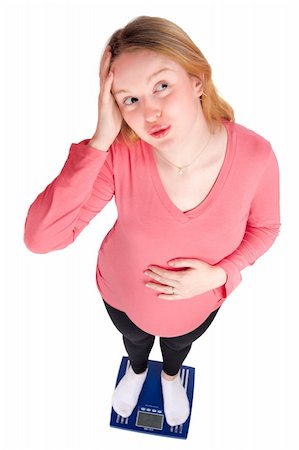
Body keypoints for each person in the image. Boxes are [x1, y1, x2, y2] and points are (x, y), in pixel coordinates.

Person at [23, 15, 281, 427]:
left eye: (162, 85)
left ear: (197, 80)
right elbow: (42, 238)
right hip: (122, 294)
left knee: (178, 346)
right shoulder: (120, 154)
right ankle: (138, 370)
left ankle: (172, 376)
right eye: (129, 99)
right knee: (135, 342)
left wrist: (220, 275)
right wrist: (100, 140)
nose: (150, 112)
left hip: (196, 305)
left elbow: (266, 228)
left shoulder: (255, 155)